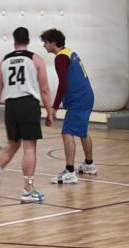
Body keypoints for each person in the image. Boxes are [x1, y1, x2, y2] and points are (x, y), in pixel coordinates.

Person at [0, 27, 55, 203]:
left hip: (10, 105)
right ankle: (27, 190)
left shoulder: (4, 61)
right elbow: (45, 89)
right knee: (29, 147)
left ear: (14, 41)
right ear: (28, 41)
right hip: (28, 103)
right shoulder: (35, 59)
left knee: (13, 144)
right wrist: (49, 111)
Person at [39, 29, 96, 184]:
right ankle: (89, 164)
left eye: (45, 42)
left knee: (67, 132)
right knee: (83, 131)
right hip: (87, 97)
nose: (44, 46)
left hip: (79, 99)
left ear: (53, 43)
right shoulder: (70, 53)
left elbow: (63, 84)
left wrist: (54, 107)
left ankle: (70, 171)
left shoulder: (60, 58)